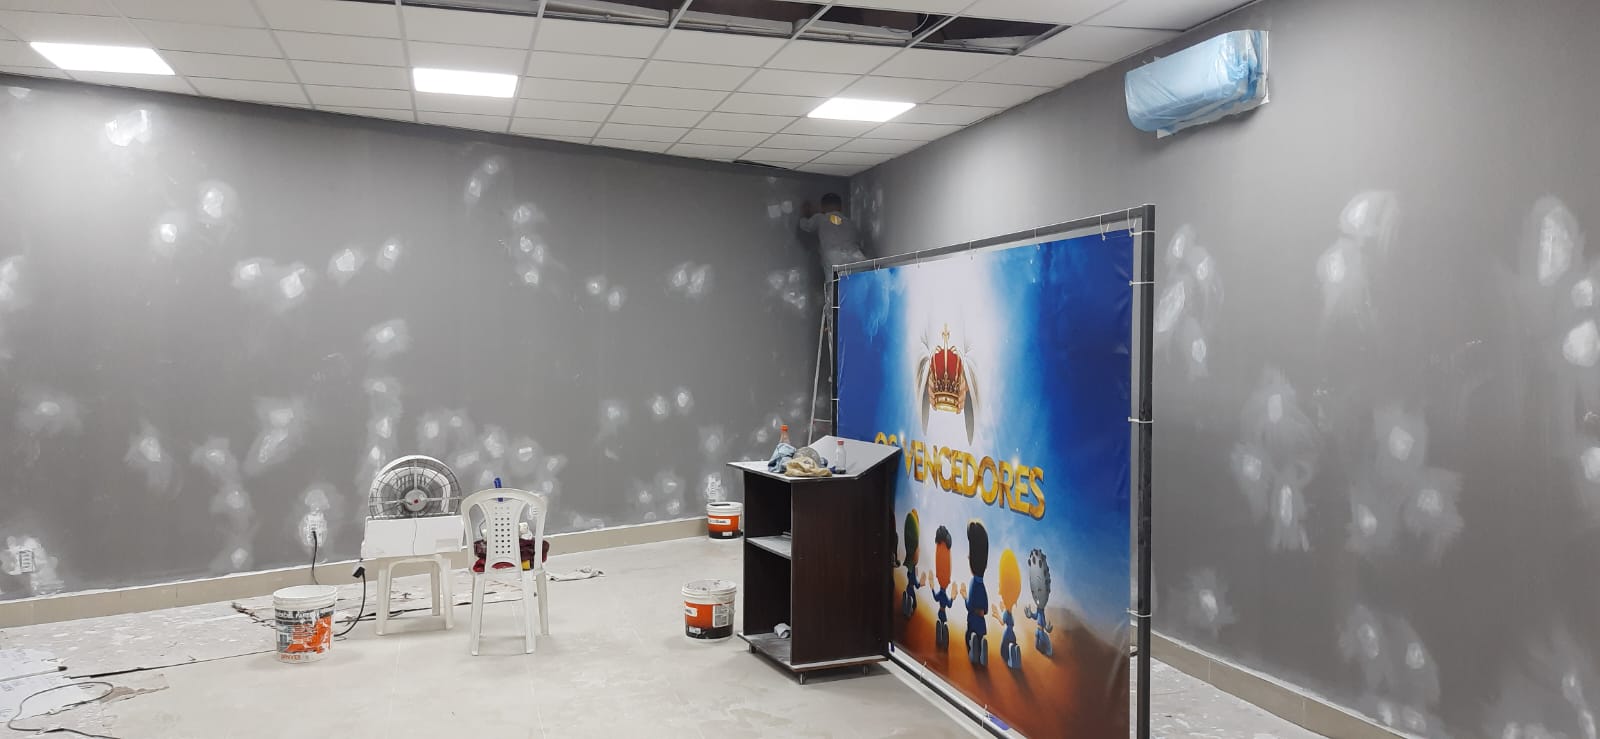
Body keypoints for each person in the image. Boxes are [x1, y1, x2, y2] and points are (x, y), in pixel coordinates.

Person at [798, 193, 865, 271]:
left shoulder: (820, 218)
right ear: (840, 207)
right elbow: (858, 239)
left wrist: (805, 213)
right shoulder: (849, 221)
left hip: (834, 257)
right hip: (855, 255)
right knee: (857, 274)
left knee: (834, 275)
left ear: (823, 207)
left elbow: (806, 225)